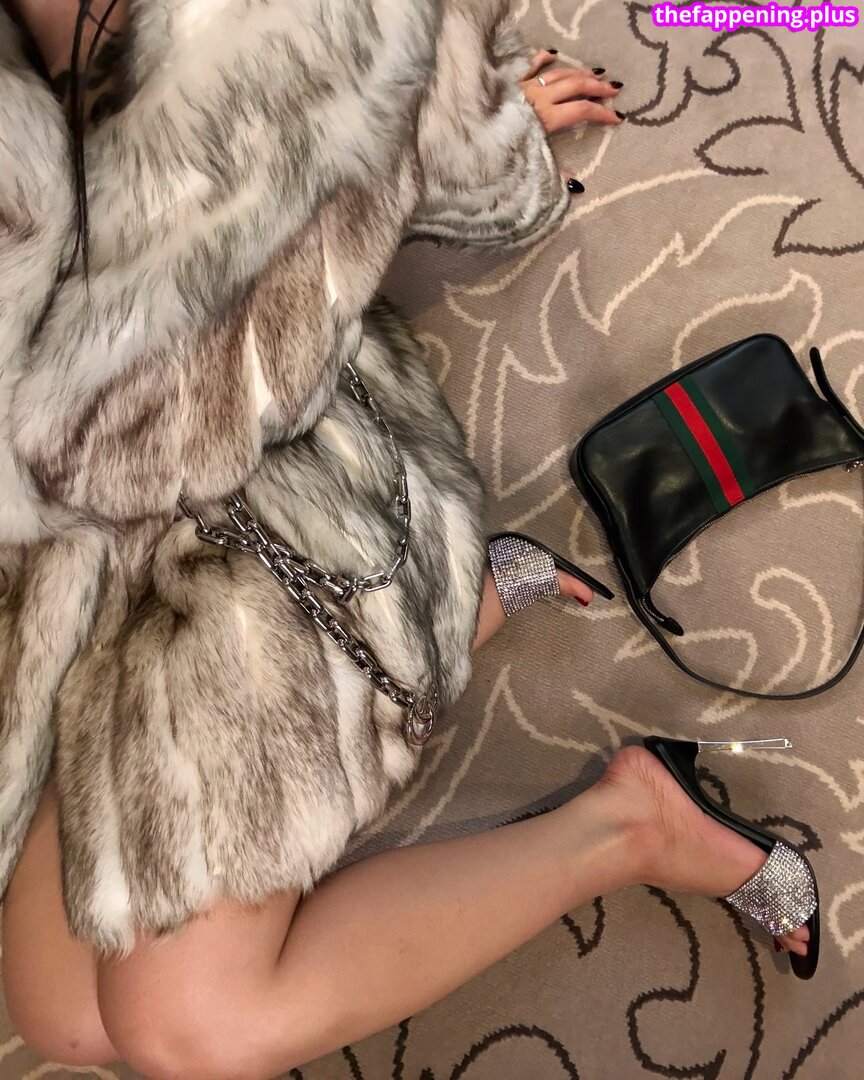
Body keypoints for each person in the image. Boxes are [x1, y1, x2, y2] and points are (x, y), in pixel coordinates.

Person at [0, 3, 812, 1077]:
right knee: (63, 1014)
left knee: (190, 1029)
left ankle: (630, 826)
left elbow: (452, 155)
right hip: (75, 566)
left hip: (266, 492)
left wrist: (473, 132)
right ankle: (473, 602)